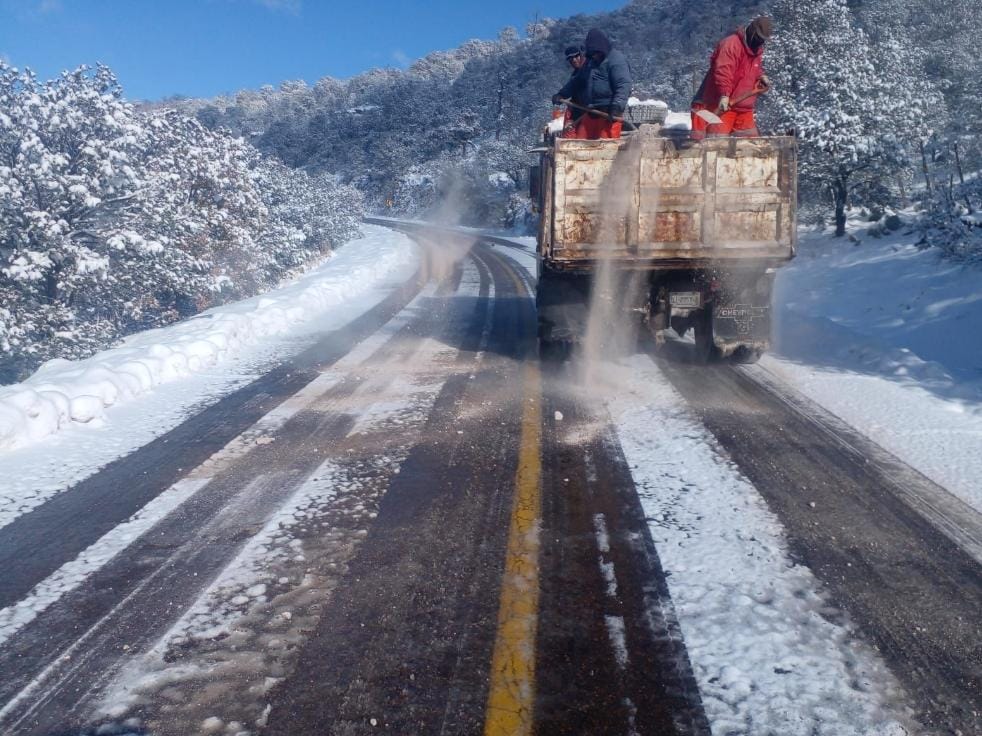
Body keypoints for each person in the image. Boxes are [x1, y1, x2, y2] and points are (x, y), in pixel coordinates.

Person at [690, 16, 772, 140]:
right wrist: (724, 94)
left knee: (751, 148)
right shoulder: (731, 45)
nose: (760, 42)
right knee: (717, 145)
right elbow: (723, 71)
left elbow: (753, 68)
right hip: (720, 105)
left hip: (743, 109)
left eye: (763, 40)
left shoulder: (756, 50)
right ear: (752, 32)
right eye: (759, 38)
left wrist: (761, 76)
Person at [552, 29, 631, 140]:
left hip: (609, 112)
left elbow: (623, 85)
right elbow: (577, 81)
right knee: (580, 144)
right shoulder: (590, 62)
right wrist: (561, 94)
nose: (595, 56)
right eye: (592, 54)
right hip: (590, 111)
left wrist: (617, 106)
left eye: (597, 53)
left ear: (602, 48)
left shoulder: (616, 60)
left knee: (606, 146)